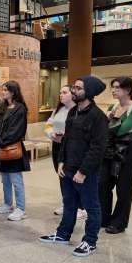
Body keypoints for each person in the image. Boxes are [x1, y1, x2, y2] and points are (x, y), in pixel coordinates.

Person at [40, 76, 107, 257]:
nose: (74, 91)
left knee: (92, 207)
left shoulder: (98, 117)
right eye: (74, 88)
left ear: (89, 91)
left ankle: (90, 241)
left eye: (78, 88)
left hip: (86, 172)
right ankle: (63, 235)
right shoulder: (72, 112)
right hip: (67, 167)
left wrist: (83, 171)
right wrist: (61, 161)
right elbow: (66, 140)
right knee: (68, 203)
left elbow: (97, 148)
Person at [99, 77, 132, 234]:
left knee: (123, 188)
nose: (113, 90)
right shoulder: (113, 106)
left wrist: (111, 118)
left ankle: (119, 222)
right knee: (103, 184)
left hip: (128, 150)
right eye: (113, 87)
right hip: (110, 149)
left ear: (128, 90)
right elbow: (104, 128)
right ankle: (103, 218)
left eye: (117, 87)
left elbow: (124, 129)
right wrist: (109, 120)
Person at [44, 85, 86, 220]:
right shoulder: (58, 109)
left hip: (72, 148)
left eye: (64, 92)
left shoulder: (78, 110)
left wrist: (66, 136)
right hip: (57, 145)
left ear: (72, 94)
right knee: (61, 175)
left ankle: (80, 207)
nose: (61, 95)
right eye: (60, 92)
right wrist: (52, 134)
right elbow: (48, 124)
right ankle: (67, 203)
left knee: (74, 176)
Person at [0, 80, 30, 221]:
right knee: (5, 179)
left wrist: (1, 142)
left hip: (12, 148)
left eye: (6, 90)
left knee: (16, 180)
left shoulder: (20, 108)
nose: (3, 92)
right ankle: (8, 204)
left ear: (13, 92)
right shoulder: (3, 107)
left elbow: (17, 130)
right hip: (2, 148)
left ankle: (21, 208)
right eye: (2, 90)